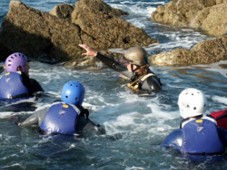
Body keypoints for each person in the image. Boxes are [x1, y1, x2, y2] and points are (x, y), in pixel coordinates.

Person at [19, 80, 104, 136]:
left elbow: (23, 125)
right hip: (67, 149)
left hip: (43, 142)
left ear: (63, 94)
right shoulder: (81, 121)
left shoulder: (43, 112)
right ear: (81, 98)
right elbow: (99, 132)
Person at [162, 88, 227, 157]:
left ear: (181, 107)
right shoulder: (221, 133)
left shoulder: (176, 136)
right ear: (205, 104)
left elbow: (163, 150)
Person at [79, 44, 162, 95]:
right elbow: (115, 66)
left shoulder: (152, 83)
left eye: (128, 63)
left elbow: (159, 102)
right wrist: (95, 53)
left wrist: (137, 93)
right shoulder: (138, 74)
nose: (126, 65)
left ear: (136, 65)